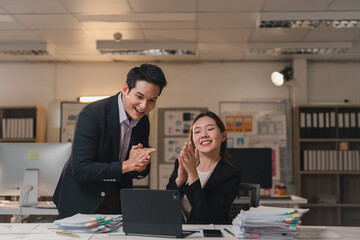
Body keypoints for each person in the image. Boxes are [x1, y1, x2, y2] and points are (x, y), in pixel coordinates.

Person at [53, 64, 167, 219]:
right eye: (139, 97)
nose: (144, 106)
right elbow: (80, 169)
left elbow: (136, 171)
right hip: (83, 201)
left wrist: (141, 165)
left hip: (117, 200)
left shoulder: (143, 122)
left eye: (152, 100)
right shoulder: (93, 115)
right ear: (126, 89)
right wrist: (127, 165)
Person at [166, 111, 241, 224]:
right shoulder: (181, 163)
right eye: (197, 131)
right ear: (193, 139)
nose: (203, 135)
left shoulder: (230, 175)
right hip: (177, 232)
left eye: (210, 129)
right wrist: (179, 181)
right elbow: (165, 206)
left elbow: (207, 218)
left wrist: (192, 174)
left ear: (223, 136)